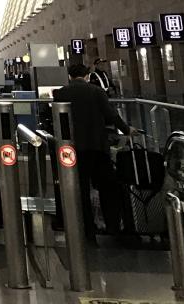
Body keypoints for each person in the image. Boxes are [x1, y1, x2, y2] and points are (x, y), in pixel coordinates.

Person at [53, 61, 131, 238]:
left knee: (80, 188)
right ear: (87, 76)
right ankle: (113, 225)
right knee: (107, 186)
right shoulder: (97, 91)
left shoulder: (61, 93)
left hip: (73, 148)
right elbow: (111, 115)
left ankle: (87, 227)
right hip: (97, 146)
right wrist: (126, 130)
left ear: (70, 76)